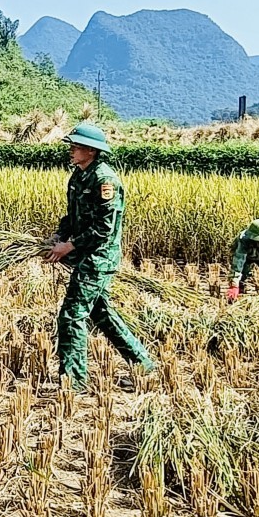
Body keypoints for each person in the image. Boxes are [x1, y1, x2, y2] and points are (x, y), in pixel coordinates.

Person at [46, 123, 154, 388]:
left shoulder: (105, 180)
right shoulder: (78, 176)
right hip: (84, 254)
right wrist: (59, 237)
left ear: (91, 151)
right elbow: (72, 216)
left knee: (72, 315)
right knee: (101, 313)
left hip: (98, 258)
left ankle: (74, 384)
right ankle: (145, 367)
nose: (71, 150)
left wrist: (69, 247)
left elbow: (103, 229)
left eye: (76, 146)